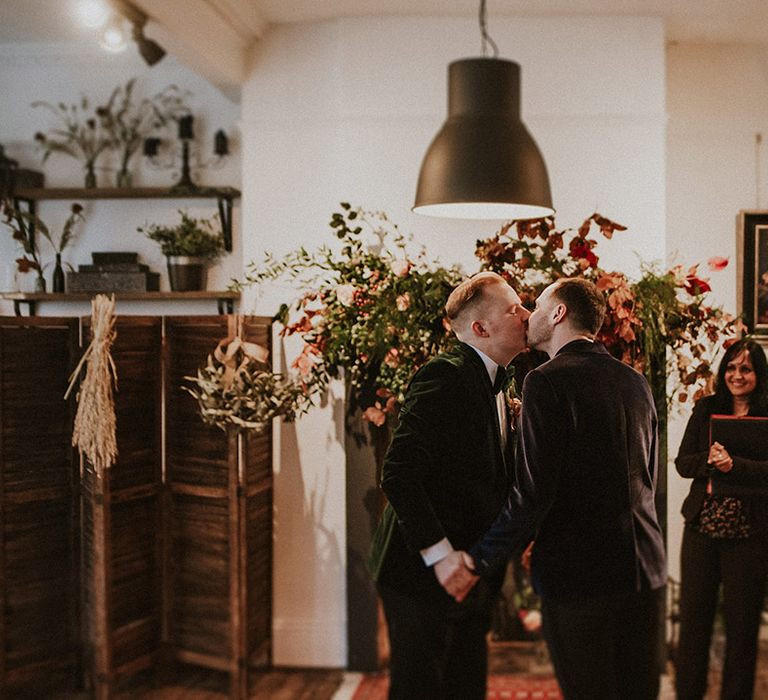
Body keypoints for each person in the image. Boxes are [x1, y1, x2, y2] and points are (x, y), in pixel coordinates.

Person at [444, 277, 667, 700]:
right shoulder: (635, 382)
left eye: (539, 304)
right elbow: (647, 480)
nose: (530, 313)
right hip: (645, 569)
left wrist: (477, 560)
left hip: (581, 577)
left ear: (559, 313)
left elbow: (532, 494)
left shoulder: (546, 382)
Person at [367, 271, 530, 700]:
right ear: (481, 329)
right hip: (420, 571)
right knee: (420, 688)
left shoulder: (504, 379)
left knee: (465, 684)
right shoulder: (445, 375)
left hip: (471, 568)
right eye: (515, 308)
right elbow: (399, 472)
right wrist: (441, 559)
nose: (526, 315)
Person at [674, 338, 768, 700]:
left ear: (758, 374)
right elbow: (684, 463)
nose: (737, 375)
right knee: (694, 625)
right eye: (731, 367)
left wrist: (736, 466)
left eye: (745, 368)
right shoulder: (706, 409)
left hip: (750, 535)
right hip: (702, 529)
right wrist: (710, 461)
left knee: (742, 629)